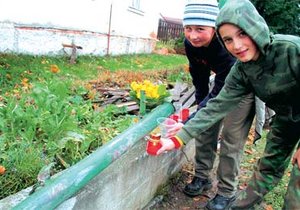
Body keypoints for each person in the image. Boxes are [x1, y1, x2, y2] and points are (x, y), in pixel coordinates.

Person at [158, 0, 300, 209]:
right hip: (287, 119)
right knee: (268, 168)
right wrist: (180, 137)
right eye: (228, 40)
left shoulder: (290, 50)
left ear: (256, 27)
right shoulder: (242, 70)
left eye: (242, 34)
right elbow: (217, 104)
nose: (237, 45)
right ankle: (238, 206)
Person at [166, 0, 255, 209]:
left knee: (231, 141)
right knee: (204, 129)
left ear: (214, 27)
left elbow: (223, 89)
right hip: (220, 86)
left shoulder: (226, 46)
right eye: (188, 28)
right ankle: (202, 177)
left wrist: (195, 117)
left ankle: (226, 192)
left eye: (200, 29)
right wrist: (199, 108)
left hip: (242, 90)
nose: (193, 35)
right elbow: (199, 77)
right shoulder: (191, 45)